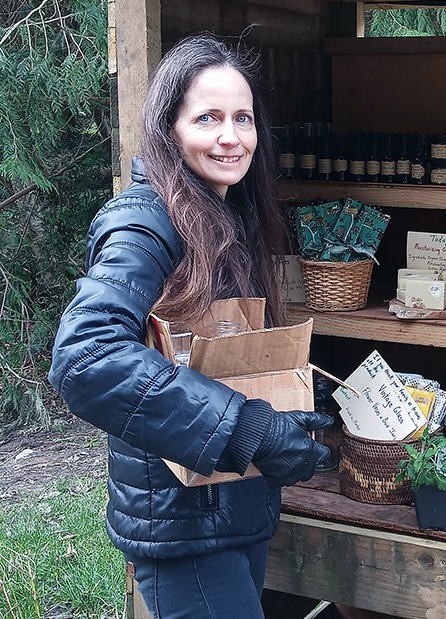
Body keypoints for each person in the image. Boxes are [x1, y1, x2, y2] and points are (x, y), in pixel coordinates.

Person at [48, 34, 332, 618]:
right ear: (169, 130)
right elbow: (86, 355)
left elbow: (208, 352)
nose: (231, 137)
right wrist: (248, 431)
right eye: (208, 118)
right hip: (182, 524)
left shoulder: (226, 210)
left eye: (242, 118)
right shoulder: (146, 220)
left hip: (230, 504)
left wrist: (287, 392)